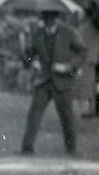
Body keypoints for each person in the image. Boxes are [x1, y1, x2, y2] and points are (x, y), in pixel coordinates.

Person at [20, 11, 87, 155]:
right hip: (44, 80)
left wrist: (69, 66)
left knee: (66, 117)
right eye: (45, 18)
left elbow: (82, 52)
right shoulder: (37, 34)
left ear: (56, 18)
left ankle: (71, 150)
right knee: (34, 114)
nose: (47, 21)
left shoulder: (68, 33)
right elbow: (28, 58)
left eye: (50, 18)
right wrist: (24, 45)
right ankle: (26, 148)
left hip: (62, 80)